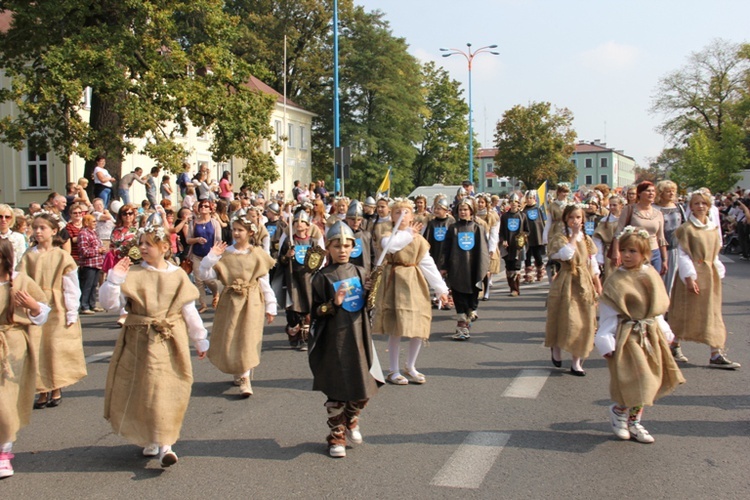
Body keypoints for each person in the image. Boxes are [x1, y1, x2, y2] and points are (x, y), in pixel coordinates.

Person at [99, 223, 208, 467]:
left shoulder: (178, 274)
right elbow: (109, 304)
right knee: (142, 388)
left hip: (170, 339)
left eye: (149, 243)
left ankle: (165, 443)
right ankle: (150, 436)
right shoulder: (133, 273)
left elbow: (188, 309)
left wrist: (200, 338)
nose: (143, 247)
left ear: (164, 247)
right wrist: (114, 280)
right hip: (138, 339)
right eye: (141, 243)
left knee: (166, 387)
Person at [594, 228, 685, 443]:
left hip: (650, 333)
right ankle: (619, 411)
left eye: (632, 251)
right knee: (636, 379)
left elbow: (656, 310)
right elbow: (609, 314)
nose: (626, 255)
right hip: (628, 336)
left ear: (644, 254)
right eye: (623, 250)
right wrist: (605, 341)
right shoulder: (616, 280)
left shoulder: (650, 275)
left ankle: (634, 421)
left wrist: (665, 331)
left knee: (651, 380)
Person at [309, 221, 384, 458]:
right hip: (334, 340)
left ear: (354, 248)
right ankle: (336, 435)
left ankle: (352, 419)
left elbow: (368, 308)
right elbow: (316, 311)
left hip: (359, 336)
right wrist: (333, 304)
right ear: (328, 248)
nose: (342, 249)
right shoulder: (322, 277)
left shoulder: (361, 272)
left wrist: (370, 292)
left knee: (364, 386)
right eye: (337, 245)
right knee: (337, 388)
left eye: (347, 245)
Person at [197, 214, 276, 397]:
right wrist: (211, 257)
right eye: (234, 229)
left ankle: (245, 378)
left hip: (252, 300)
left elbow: (263, 281)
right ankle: (238, 369)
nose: (236, 233)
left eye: (240, 230)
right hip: (230, 300)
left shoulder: (256, 254)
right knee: (232, 336)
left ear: (250, 232)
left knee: (247, 336)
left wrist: (271, 305)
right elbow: (206, 275)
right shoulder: (225, 253)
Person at [372, 199, 449, 385]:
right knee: (396, 327)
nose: (402, 216)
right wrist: (408, 233)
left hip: (414, 282)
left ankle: (411, 365)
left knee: (417, 326)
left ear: (412, 216)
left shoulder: (418, 239)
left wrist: (441, 288)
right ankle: (393, 370)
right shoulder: (386, 232)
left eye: (406, 213)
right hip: (394, 282)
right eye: (398, 212)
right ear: (391, 215)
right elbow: (391, 246)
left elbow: (427, 263)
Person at [19, 212, 87, 408]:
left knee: (55, 347)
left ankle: (56, 387)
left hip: (57, 305)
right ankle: (42, 390)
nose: (38, 231)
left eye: (43, 228)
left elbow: (71, 285)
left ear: (54, 231)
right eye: (35, 228)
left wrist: (72, 310)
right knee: (36, 346)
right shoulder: (29, 255)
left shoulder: (62, 256)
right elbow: (21, 279)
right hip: (35, 304)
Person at [667, 189, 740, 369]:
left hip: (709, 273)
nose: (700, 206)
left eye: (703, 203)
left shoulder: (713, 228)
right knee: (685, 311)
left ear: (709, 206)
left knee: (712, 313)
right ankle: (673, 344)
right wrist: (689, 277)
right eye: (697, 203)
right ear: (691, 206)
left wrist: (718, 270)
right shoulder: (686, 229)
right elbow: (683, 254)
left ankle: (715, 353)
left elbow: (715, 252)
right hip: (691, 273)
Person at [0, 239, 51, 479]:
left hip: (12, 347)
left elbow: (42, 313)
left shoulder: (20, 281)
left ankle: (4, 452)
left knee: (5, 402)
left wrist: (33, 307)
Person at [545, 204, 602, 376]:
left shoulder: (586, 239)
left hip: (583, 282)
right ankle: (556, 346)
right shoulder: (559, 238)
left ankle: (576, 361)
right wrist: (574, 236)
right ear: (566, 220)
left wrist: (597, 283)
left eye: (578, 217)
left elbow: (592, 262)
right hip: (566, 280)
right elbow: (565, 255)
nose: (575, 221)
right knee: (563, 317)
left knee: (582, 322)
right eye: (571, 218)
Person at [441, 198, 489, 341]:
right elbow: (446, 248)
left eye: (465, 210)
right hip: (457, 267)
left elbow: (483, 249)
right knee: (458, 295)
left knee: (472, 298)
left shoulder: (477, 228)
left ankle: (468, 316)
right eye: (460, 210)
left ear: (471, 211)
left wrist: (484, 267)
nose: (463, 212)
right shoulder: (453, 228)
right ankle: (461, 325)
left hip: (473, 267)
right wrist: (443, 266)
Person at [278, 210, 321, 351]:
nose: (299, 224)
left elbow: (318, 261)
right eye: (296, 222)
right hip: (293, 279)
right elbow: (281, 261)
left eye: (302, 222)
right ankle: (295, 335)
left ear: (308, 225)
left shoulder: (313, 241)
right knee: (293, 309)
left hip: (308, 279)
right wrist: (287, 255)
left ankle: (306, 337)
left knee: (308, 308)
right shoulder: (289, 241)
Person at [611, 181, 667, 275]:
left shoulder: (658, 213)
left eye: (653, 191)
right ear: (640, 193)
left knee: (653, 283)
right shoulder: (629, 209)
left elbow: (661, 238)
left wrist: (664, 259)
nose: (651, 193)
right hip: (635, 252)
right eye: (648, 191)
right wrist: (616, 252)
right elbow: (619, 232)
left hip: (654, 253)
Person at [185, 200, 222, 313]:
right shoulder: (194, 223)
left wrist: (215, 252)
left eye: (206, 206)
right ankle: (203, 304)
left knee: (210, 280)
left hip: (210, 256)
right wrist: (197, 240)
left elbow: (218, 239)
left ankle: (216, 293)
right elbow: (188, 239)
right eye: (201, 206)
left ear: (211, 209)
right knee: (199, 280)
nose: (203, 208)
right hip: (197, 255)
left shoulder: (214, 223)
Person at [654, 180, 686, 295]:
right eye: (668, 191)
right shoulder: (655, 208)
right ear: (661, 193)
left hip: (674, 247)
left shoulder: (678, 207)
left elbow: (684, 226)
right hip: (657, 247)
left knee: (672, 278)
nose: (671, 194)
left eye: (673, 191)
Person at [499, 193, 528, 297]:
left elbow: (526, 230)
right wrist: (503, 240)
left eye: (516, 202)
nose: (514, 204)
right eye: (512, 202)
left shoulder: (523, 216)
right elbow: (501, 231)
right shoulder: (505, 216)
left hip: (518, 246)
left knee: (516, 267)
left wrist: (522, 238)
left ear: (518, 203)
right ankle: (511, 287)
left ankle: (515, 289)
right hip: (508, 245)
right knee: (509, 267)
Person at [77, 214, 106, 314]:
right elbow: (84, 251)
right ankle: (84, 306)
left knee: (94, 285)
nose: (95, 223)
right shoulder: (83, 234)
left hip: (97, 263)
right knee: (87, 285)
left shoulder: (93, 233)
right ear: (86, 222)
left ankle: (92, 305)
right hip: (88, 264)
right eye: (93, 221)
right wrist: (98, 250)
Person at [475, 194, 500, 300]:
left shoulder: (492, 215)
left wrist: (492, 248)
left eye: (482, 202)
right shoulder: (473, 214)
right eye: (478, 202)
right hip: (475, 244)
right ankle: (478, 290)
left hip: (487, 244)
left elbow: (494, 232)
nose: (480, 204)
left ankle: (486, 292)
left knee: (487, 270)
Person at [593, 196, 623, 281]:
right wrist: (599, 257)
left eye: (615, 205)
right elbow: (597, 239)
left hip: (623, 250)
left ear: (621, 205)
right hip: (609, 252)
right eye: (611, 205)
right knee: (610, 276)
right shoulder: (605, 221)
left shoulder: (624, 219)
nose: (612, 207)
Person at [522, 190, 546, 283]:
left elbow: (541, 223)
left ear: (534, 199)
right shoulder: (524, 210)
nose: (529, 200)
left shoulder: (538, 209)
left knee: (537, 255)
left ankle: (540, 271)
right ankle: (529, 275)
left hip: (536, 236)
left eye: (531, 198)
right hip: (528, 237)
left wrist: (543, 235)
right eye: (527, 198)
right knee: (527, 256)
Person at [0, 204, 27, 269]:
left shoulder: (18, 237)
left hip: (12, 274)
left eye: (7, 217)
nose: (3, 219)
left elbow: (21, 260)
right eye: (0, 216)